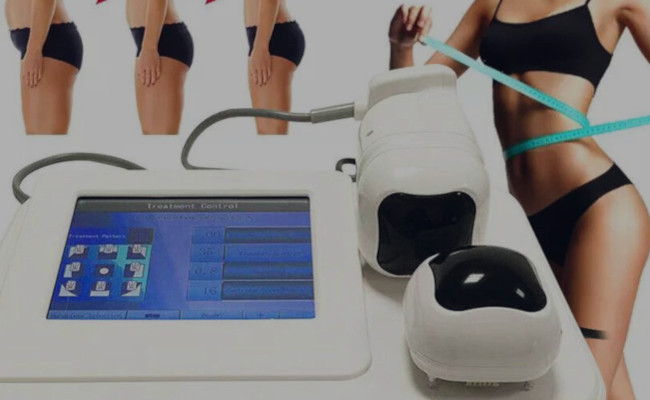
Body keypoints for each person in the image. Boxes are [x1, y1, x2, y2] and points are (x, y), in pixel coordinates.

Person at [388, 2, 650, 398]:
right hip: (532, 220)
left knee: (582, 383)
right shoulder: (491, 5)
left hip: (599, 208)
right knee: (605, 382)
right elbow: (412, 100)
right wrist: (401, 46)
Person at [6, 0, 83, 135]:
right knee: (37, 135)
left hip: (47, 42)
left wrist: (35, 48)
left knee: (44, 138)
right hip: (38, 41)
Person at [127, 0, 193, 135]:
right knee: (152, 135)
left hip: (160, 42)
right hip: (150, 41)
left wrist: (150, 48)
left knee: (158, 137)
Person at [245, 0, 306, 134]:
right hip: (267, 36)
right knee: (267, 132)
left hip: (271, 38)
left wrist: (261, 46)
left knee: (271, 134)